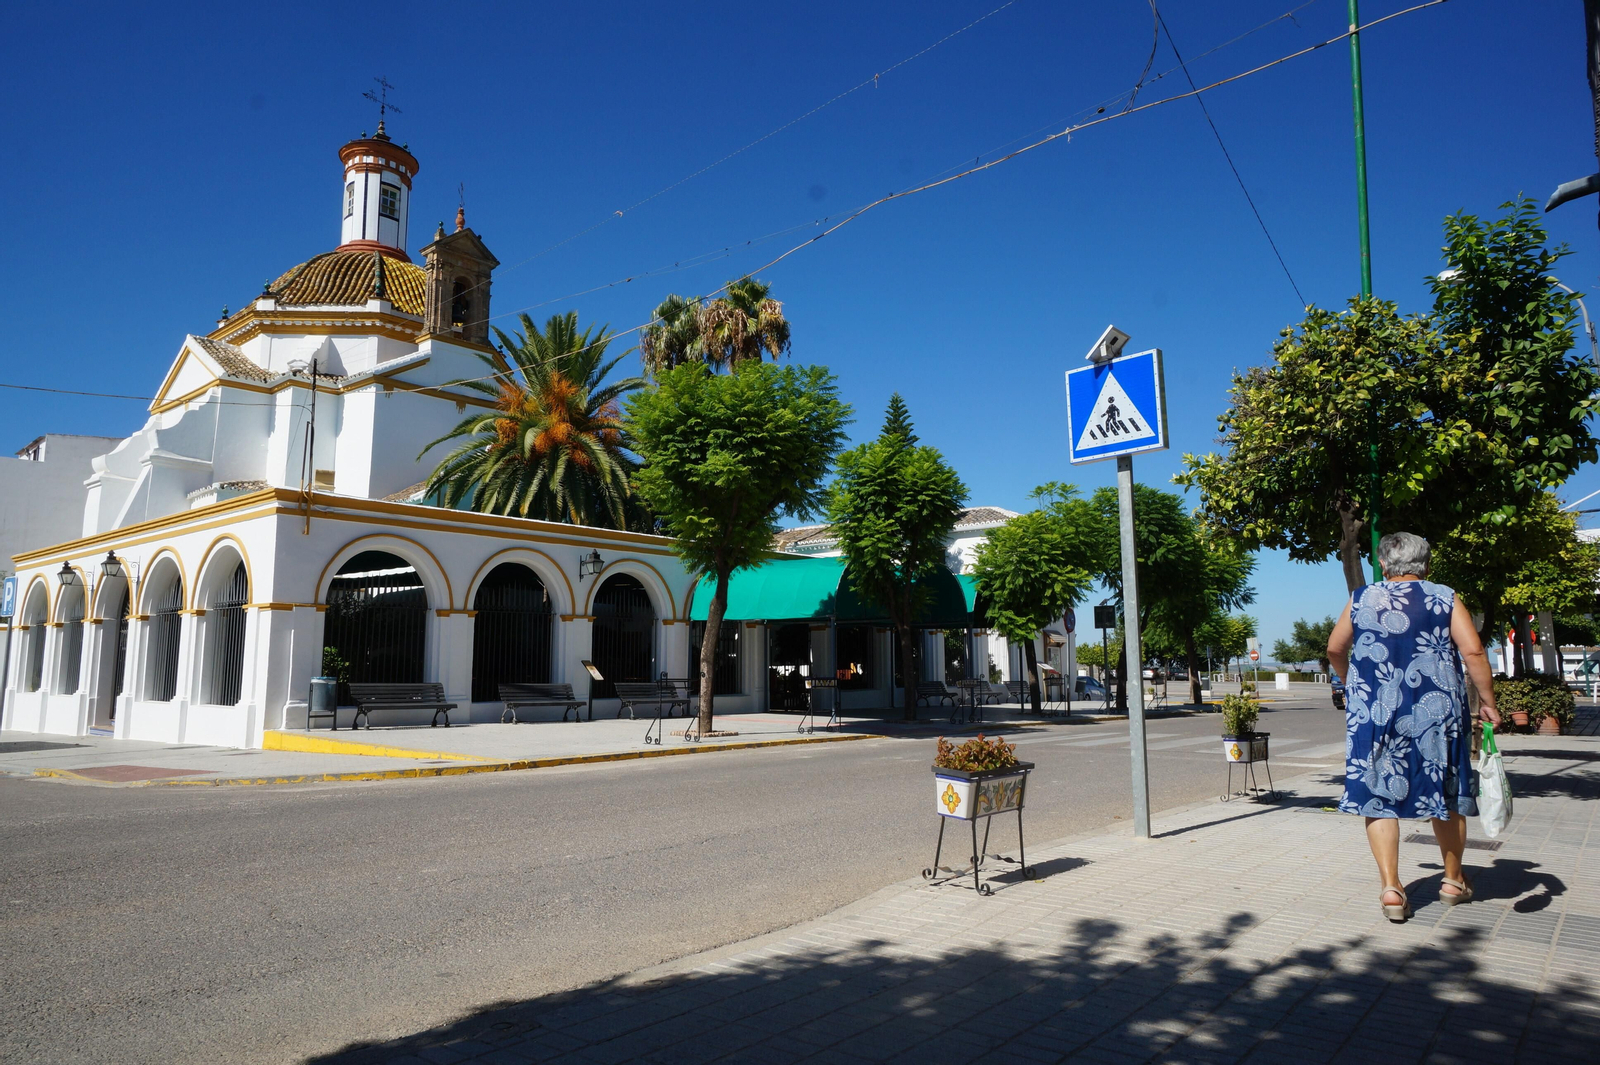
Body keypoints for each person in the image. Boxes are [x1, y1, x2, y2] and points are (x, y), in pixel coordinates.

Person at [1326, 531, 1501, 922]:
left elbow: (1336, 649)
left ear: (1384, 565)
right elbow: (1473, 650)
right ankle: (1453, 880)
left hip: (1375, 711)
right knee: (1446, 790)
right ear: (1427, 564)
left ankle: (1391, 889)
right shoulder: (1444, 596)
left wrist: (1352, 683)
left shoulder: (1361, 599)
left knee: (1377, 795)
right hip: (1436, 714)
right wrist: (1488, 702)